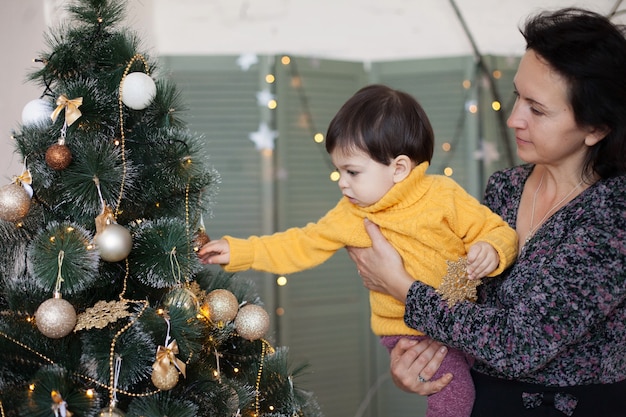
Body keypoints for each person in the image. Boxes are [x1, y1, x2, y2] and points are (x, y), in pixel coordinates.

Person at [347, 8, 626, 417]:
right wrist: (422, 359)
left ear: (596, 128)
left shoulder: (613, 217)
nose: (515, 118)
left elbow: (520, 344)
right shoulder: (507, 187)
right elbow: (461, 299)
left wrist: (401, 287)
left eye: (538, 109)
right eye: (518, 96)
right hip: (483, 400)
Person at [198, 84, 518, 417]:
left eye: (352, 171)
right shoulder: (351, 213)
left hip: (462, 320)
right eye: (339, 171)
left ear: (399, 168)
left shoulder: (444, 196)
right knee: (453, 395)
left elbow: (498, 230)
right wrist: (240, 252)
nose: (341, 182)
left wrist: (491, 249)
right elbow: (299, 244)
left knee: (491, 389)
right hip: (409, 332)